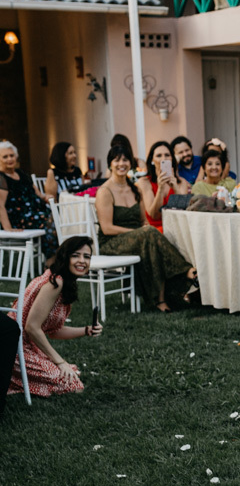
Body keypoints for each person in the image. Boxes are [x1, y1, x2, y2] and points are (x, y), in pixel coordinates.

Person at [95, 146, 196, 313]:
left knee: (150, 238)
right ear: (110, 164)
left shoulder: (134, 189)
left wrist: (143, 231)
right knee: (148, 234)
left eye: (125, 160)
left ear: (131, 164)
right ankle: (186, 271)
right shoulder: (105, 191)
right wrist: (139, 233)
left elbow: (143, 220)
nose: (122, 163)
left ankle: (161, 299)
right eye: (117, 160)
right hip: (112, 242)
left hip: (139, 238)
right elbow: (107, 229)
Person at [8, 235, 103, 398]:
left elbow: (53, 331)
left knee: (72, 373)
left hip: (27, 345)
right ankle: (10, 377)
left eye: (87, 257)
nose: (82, 261)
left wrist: (86, 330)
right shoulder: (55, 282)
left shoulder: (61, 279)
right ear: (65, 257)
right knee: (72, 384)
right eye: (76, 255)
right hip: (13, 348)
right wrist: (59, 361)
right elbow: (32, 327)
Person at [0, 141, 57, 260]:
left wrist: (46, 197)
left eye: (12, 155)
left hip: (36, 212)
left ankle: (60, 258)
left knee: (60, 217)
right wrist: (7, 228)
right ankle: (52, 260)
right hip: (20, 217)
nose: (9, 159)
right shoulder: (2, 178)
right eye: (5, 157)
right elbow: (0, 205)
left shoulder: (21, 173)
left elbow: (38, 194)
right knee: (50, 221)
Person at [138, 140, 191, 232]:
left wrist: (175, 187)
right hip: (155, 230)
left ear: (172, 158)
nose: (164, 158)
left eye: (167, 155)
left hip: (177, 228)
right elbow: (154, 215)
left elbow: (184, 211)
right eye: (159, 155)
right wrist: (160, 189)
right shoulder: (145, 182)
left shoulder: (181, 182)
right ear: (152, 160)